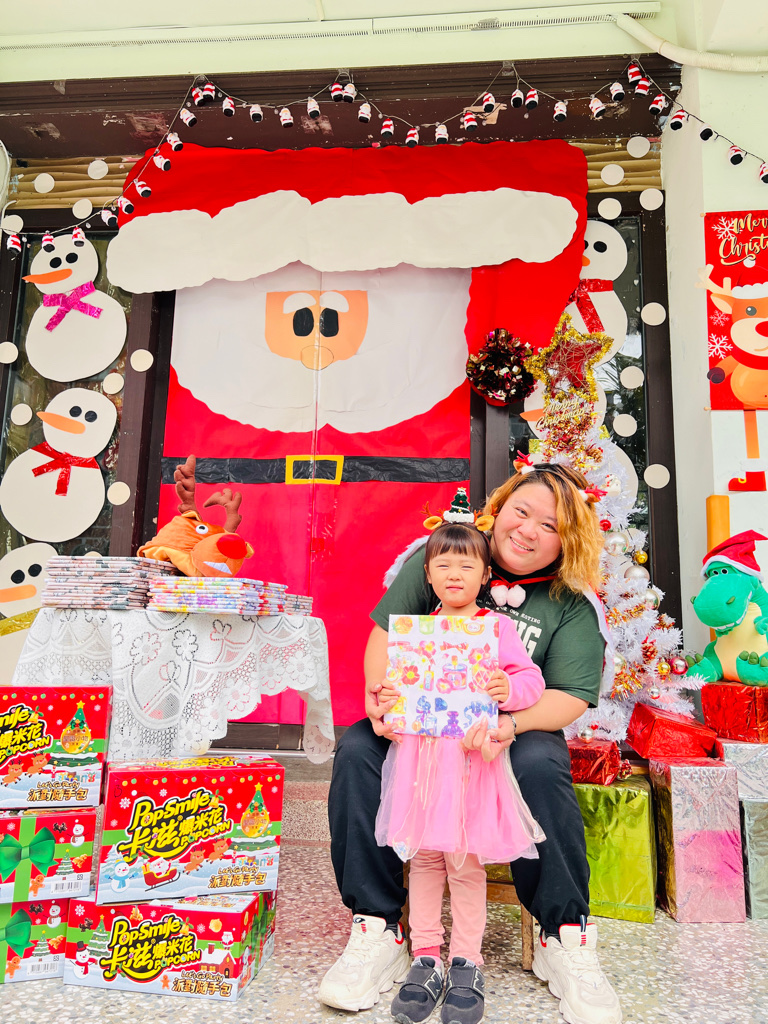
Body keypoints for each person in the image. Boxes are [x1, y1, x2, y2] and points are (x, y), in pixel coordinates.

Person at [320, 463, 622, 1024]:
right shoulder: (446, 554)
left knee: (541, 765)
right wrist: (380, 698)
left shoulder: (570, 603)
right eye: (522, 512)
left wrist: (511, 725)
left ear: (568, 540)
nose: (528, 530)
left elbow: (570, 697)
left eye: (550, 526)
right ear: (499, 509)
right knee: (359, 750)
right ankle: (378, 925)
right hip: (423, 731)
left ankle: (562, 934)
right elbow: (387, 633)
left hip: (510, 729)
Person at [377, 515, 547, 1024]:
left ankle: (467, 962)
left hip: (471, 765)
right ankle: (426, 956)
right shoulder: (416, 631)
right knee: (426, 860)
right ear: (428, 574)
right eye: (443, 565)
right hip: (422, 766)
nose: (454, 574)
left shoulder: (495, 629)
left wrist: (507, 690)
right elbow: (394, 688)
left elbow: (531, 680)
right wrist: (390, 699)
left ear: (485, 575)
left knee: (465, 864)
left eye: (466, 565)